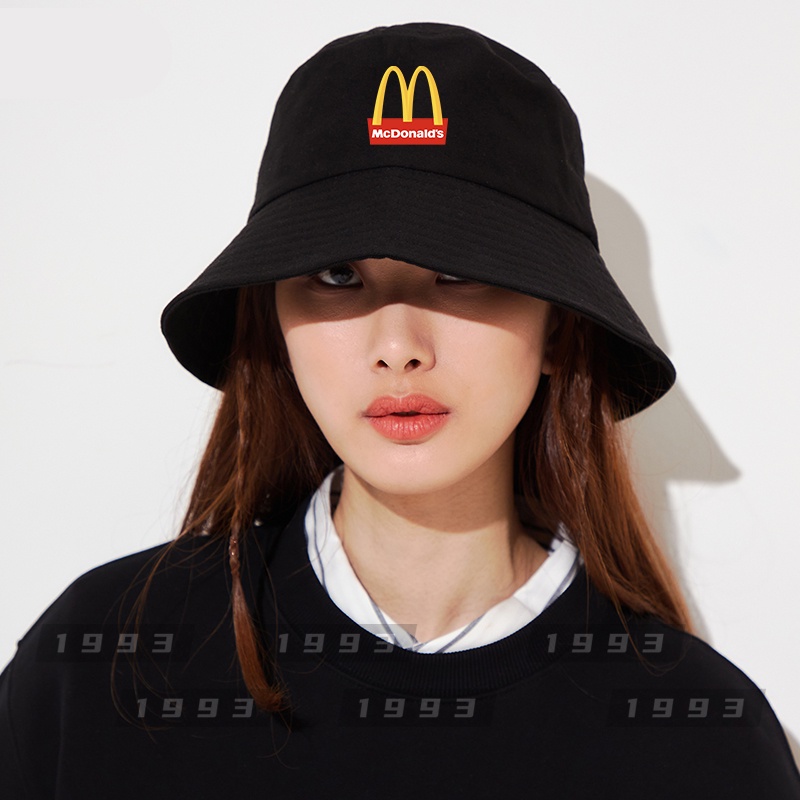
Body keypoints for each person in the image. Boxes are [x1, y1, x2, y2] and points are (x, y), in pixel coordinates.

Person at [1, 21, 798, 799]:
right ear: (273, 323)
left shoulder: (704, 745)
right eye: (336, 276)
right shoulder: (101, 668)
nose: (397, 347)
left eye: (459, 273)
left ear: (560, 329)